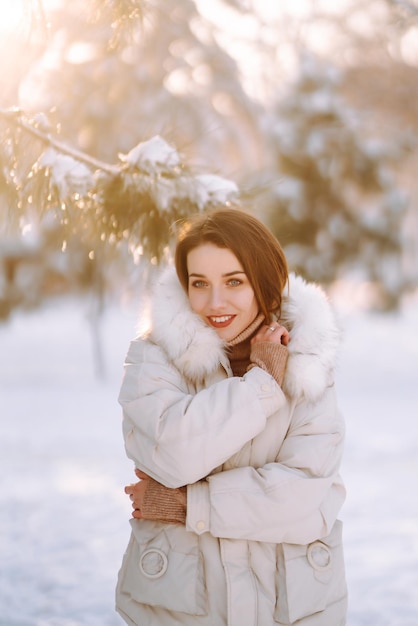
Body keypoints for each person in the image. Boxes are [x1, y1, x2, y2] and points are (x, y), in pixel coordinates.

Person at [116, 207, 347, 626]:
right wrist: (261, 385)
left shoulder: (308, 363)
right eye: (199, 283)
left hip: (291, 607)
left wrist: (189, 504)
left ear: (265, 282)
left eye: (234, 282)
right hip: (183, 608)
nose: (214, 303)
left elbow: (305, 497)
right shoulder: (155, 356)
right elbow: (172, 454)